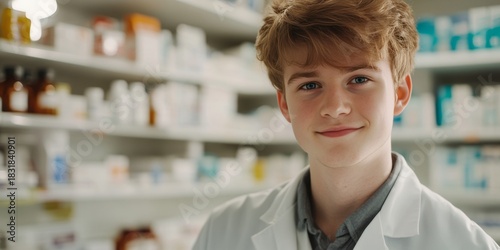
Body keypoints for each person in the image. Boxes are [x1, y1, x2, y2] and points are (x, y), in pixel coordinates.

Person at [193, 0, 500, 249]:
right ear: (284, 103)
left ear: (401, 93)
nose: (335, 108)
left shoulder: (464, 243)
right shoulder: (223, 232)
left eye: (359, 79)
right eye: (310, 85)